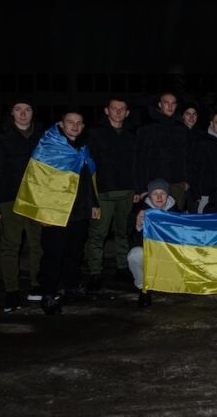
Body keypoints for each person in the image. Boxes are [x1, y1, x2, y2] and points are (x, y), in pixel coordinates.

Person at [14, 111, 100, 315]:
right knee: (53, 256)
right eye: (70, 122)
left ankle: (71, 287)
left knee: (75, 253)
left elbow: (88, 179)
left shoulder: (83, 148)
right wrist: (43, 213)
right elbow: (37, 182)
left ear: (83, 126)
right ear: (61, 124)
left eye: (79, 123)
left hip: (79, 211)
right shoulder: (48, 147)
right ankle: (48, 294)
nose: (75, 126)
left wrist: (94, 204)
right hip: (55, 213)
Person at [0, 97, 44, 311]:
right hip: (9, 199)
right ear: (11, 113)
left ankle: (36, 285)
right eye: (18, 109)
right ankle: (12, 291)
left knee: (37, 244)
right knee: (10, 245)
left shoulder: (42, 137)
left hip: (36, 199)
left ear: (33, 112)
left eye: (27, 109)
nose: (23, 113)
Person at [83, 96, 139, 294]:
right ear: (107, 110)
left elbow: (136, 163)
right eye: (114, 108)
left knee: (123, 232)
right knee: (98, 233)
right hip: (103, 192)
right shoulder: (94, 133)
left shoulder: (132, 134)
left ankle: (122, 267)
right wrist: (91, 195)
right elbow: (87, 164)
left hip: (127, 191)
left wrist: (137, 189)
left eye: (122, 109)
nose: (118, 112)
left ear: (127, 113)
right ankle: (95, 272)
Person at [127, 179, 178, 307]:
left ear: (168, 195)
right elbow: (131, 241)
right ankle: (143, 287)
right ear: (149, 195)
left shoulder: (176, 212)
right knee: (135, 254)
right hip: (151, 253)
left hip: (169, 255)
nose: (159, 197)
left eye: (163, 193)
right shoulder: (139, 211)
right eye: (155, 194)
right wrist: (139, 226)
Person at [135, 92, 189, 210]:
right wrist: (142, 188)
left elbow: (186, 157)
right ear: (160, 104)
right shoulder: (147, 129)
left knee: (176, 218)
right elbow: (141, 160)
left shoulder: (181, 129)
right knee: (156, 219)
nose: (170, 106)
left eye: (173, 103)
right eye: (166, 103)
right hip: (155, 186)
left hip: (177, 185)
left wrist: (186, 180)